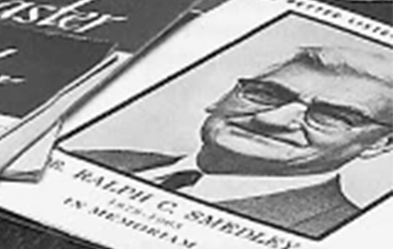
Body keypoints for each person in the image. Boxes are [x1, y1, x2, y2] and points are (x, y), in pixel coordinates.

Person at [74, 45, 393, 238]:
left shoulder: (330, 234)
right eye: (265, 94)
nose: (270, 119)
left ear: (380, 144)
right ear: (223, 96)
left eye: (332, 115)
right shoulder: (93, 158)